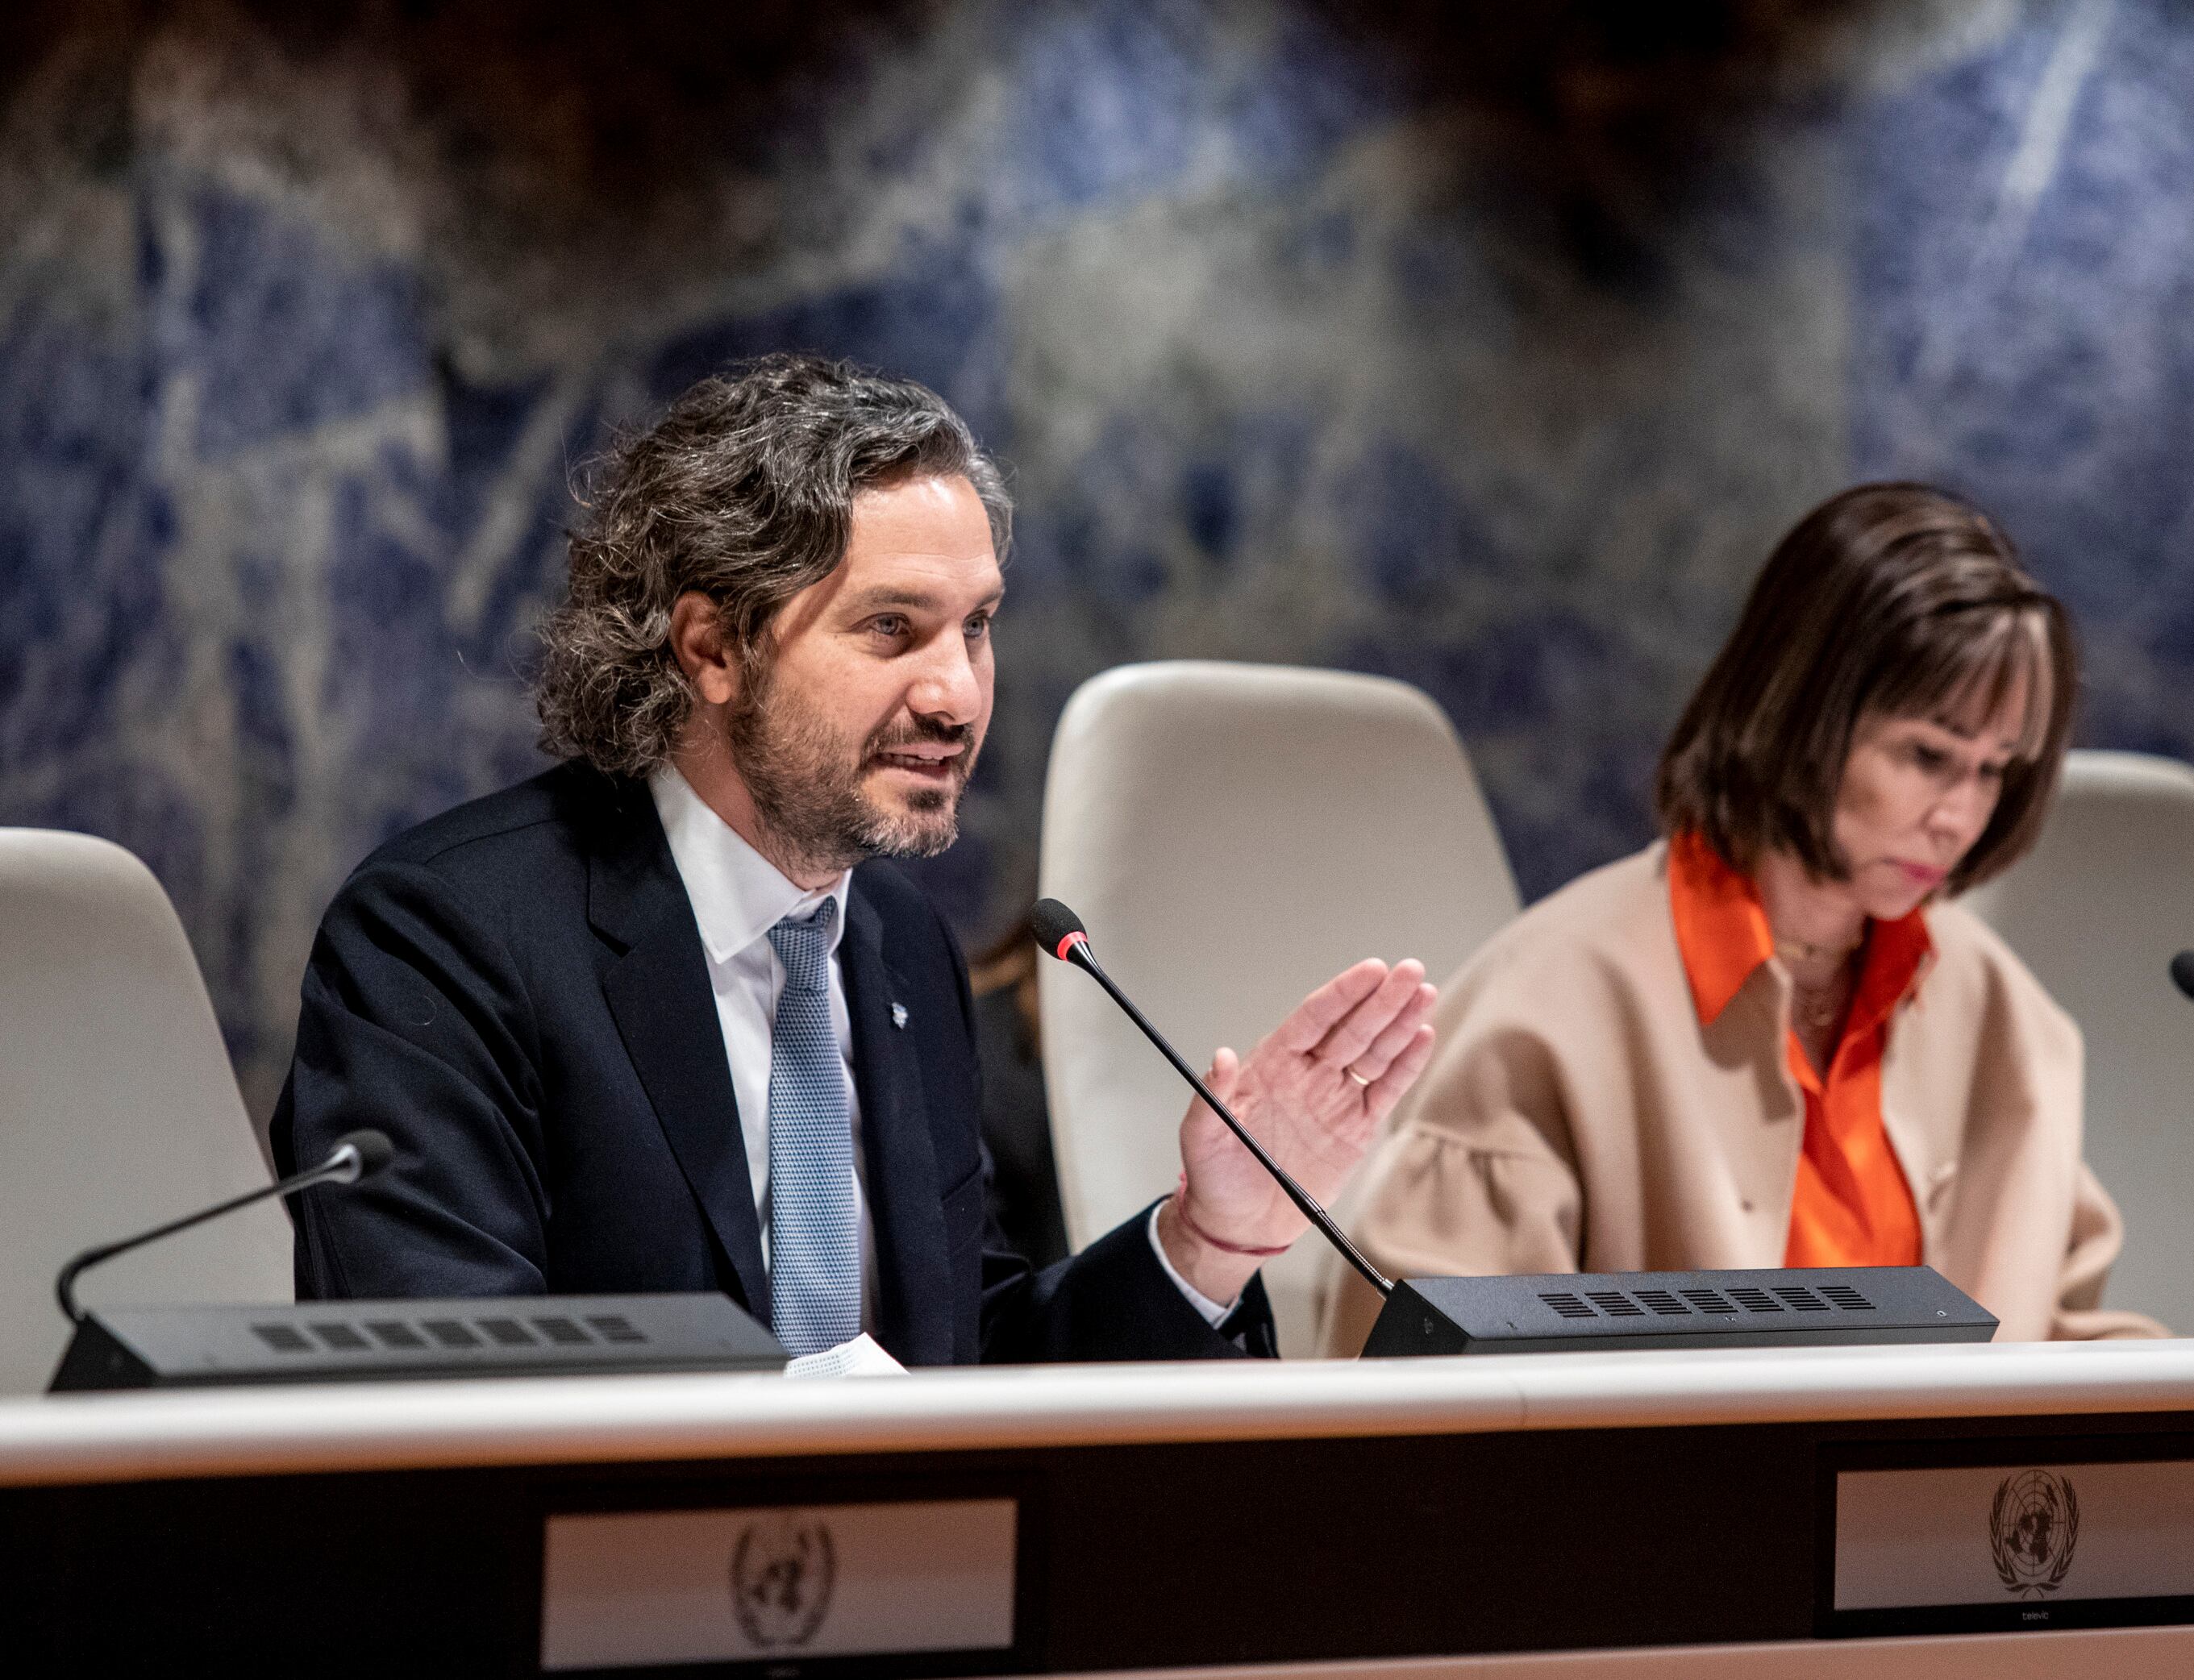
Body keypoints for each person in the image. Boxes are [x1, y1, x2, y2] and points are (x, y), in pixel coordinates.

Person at [272, 354, 1437, 1366]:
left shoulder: (894, 947)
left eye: (975, 627)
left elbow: (962, 1371)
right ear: (714, 648)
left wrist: (1204, 1237)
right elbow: (445, 1365)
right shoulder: (447, 938)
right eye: (892, 629)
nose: (958, 694)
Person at [1322, 482, 2163, 1353]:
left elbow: (2064, 1355)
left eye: (1994, 769)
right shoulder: (1549, 1000)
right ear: (1797, 708)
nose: (1960, 814)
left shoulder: (2007, 1015)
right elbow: (1412, 1399)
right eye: (1928, 754)